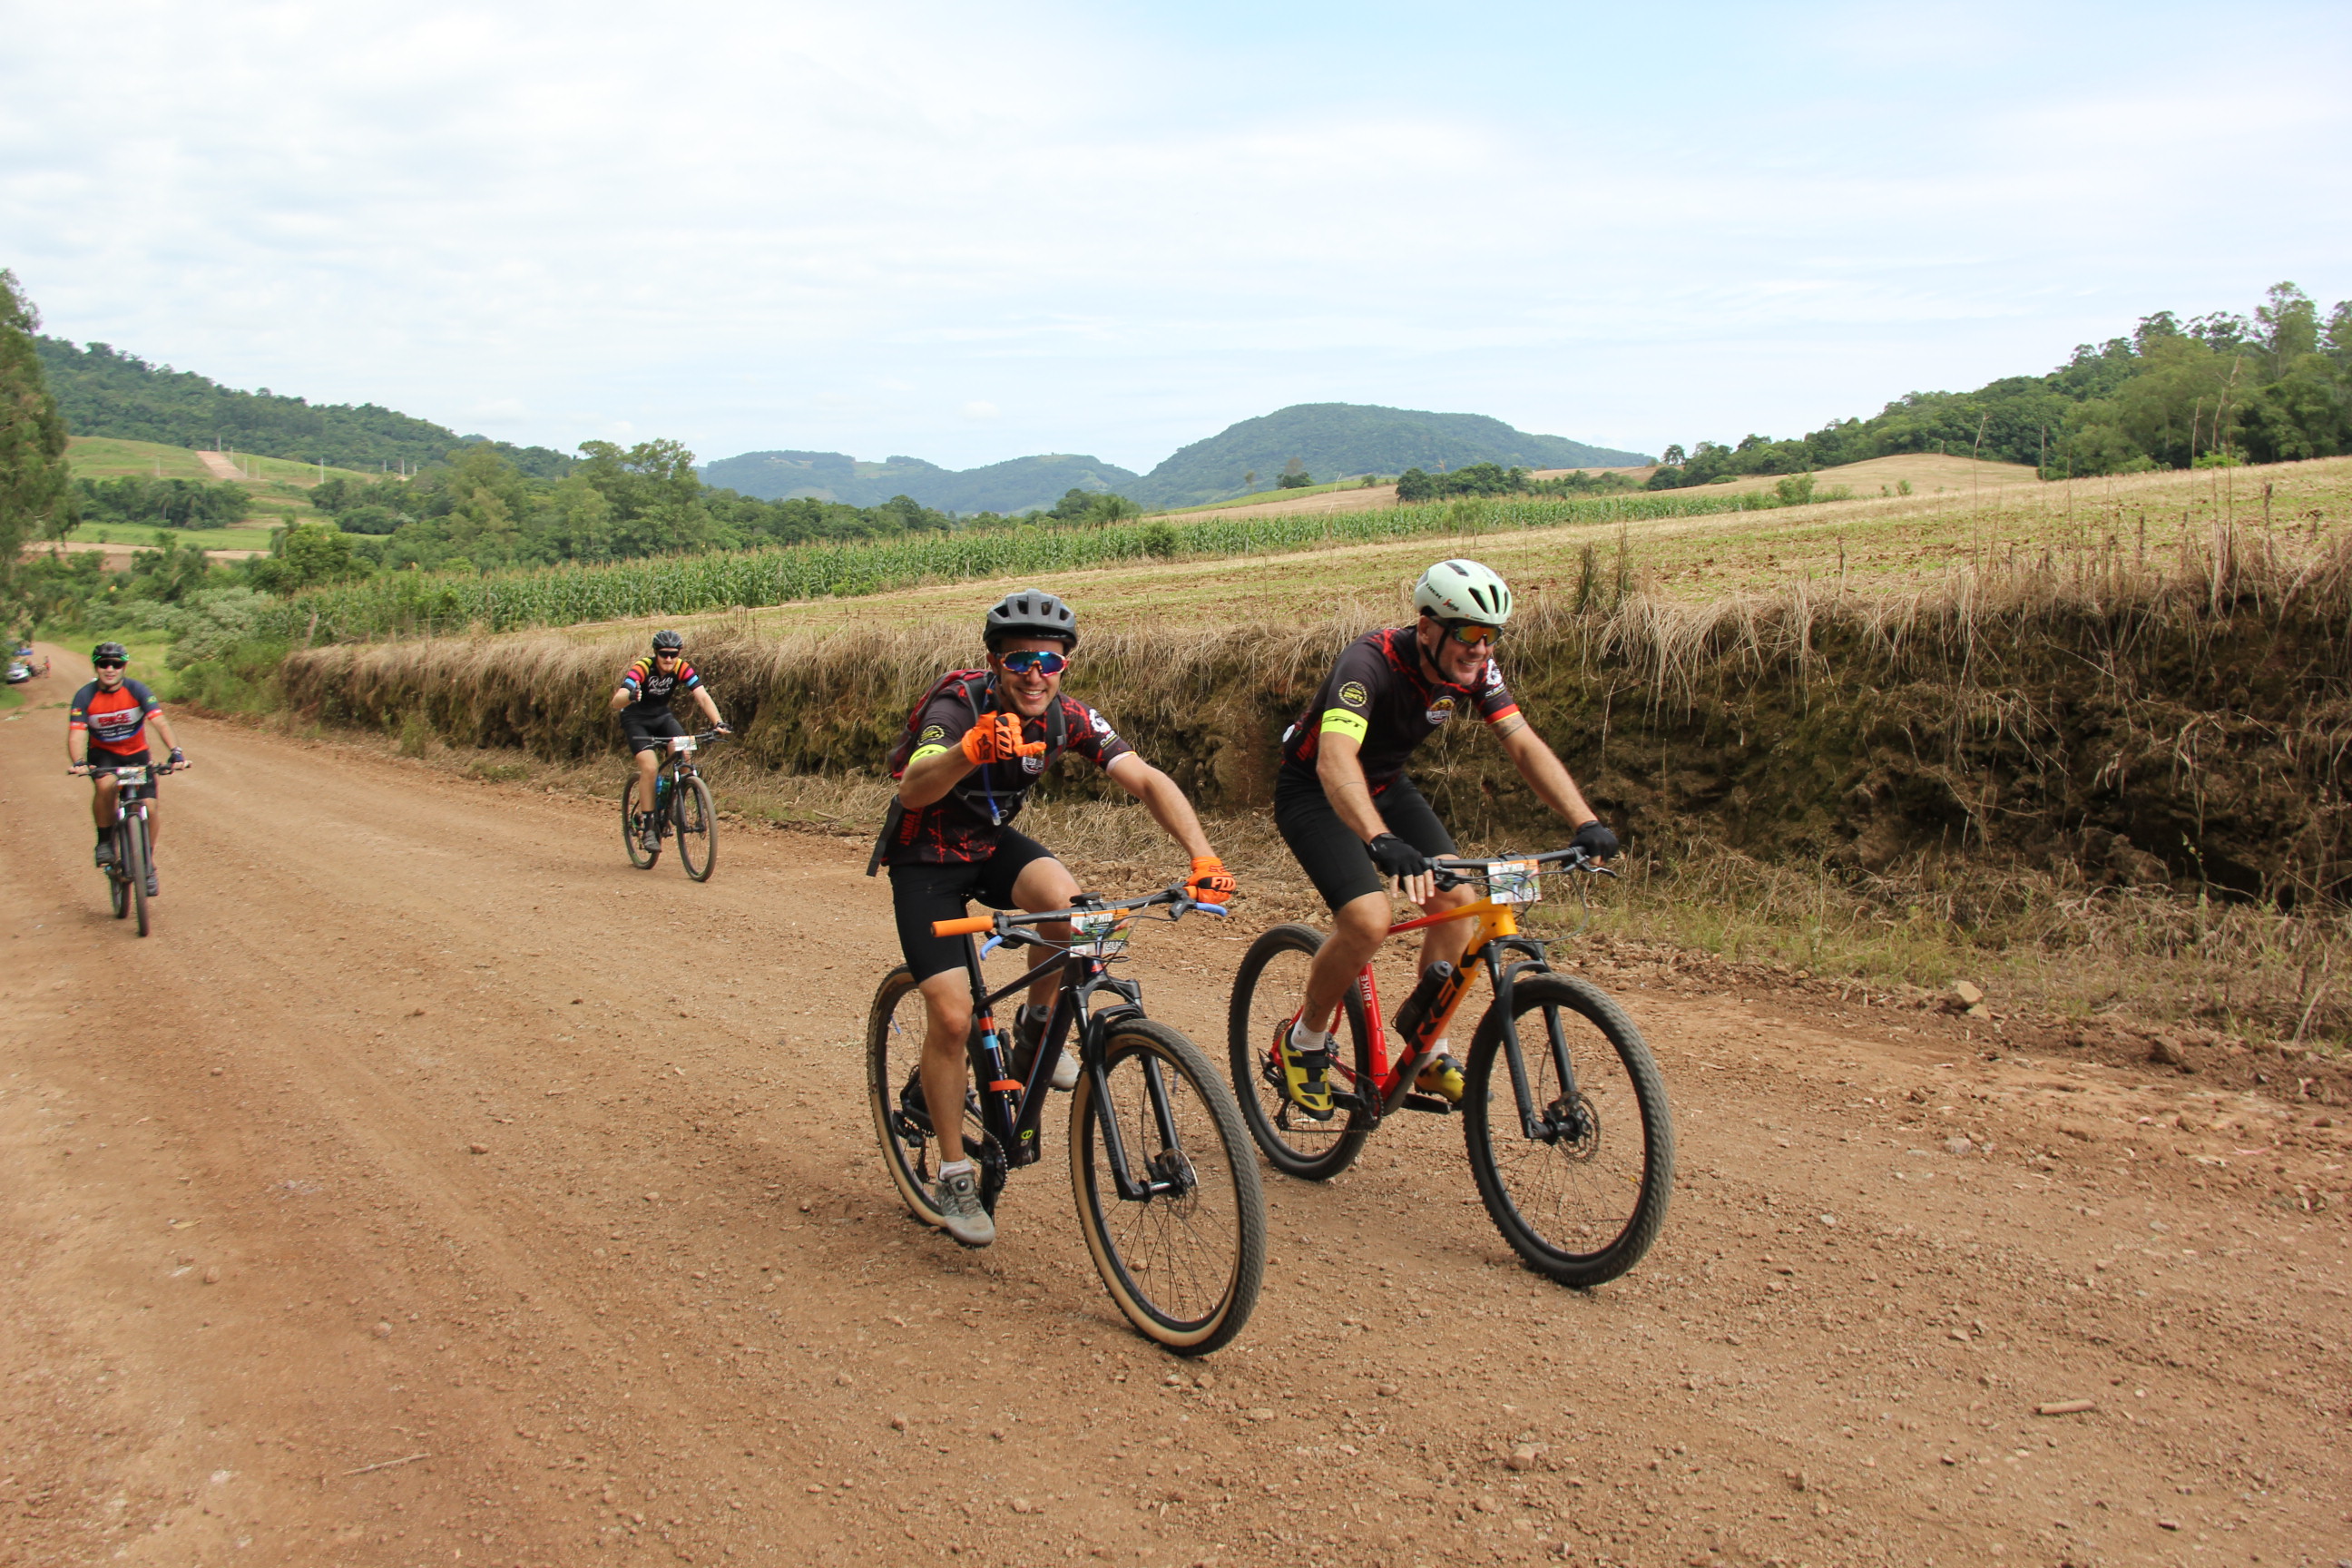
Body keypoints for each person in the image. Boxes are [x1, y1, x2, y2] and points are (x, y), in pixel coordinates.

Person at [877, 588, 1236, 1248]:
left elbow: (1146, 778)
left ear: (1064, 665)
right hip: (926, 860)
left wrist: (1202, 856)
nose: (1035, 673)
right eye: (1020, 660)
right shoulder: (958, 705)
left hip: (988, 846)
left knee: (1076, 917)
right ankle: (954, 1174)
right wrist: (968, 751)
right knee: (953, 1017)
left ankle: (1036, 1027)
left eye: (1049, 661)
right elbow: (914, 787)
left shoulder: (1068, 717)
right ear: (996, 662)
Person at [1269, 559, 1617, 1119]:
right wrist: (1380, 840)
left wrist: (1585, 821)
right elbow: (1335, 760)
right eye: (1469, 633)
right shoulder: (1368, 662)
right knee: (1368, 920)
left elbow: (1522, 742)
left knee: (1458, 902)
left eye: (1491, 636)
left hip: (1385, 785)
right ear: (1428, 627)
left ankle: (1428, 1048)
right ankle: (1303, 1040)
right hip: (1315, 790)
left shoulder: (1475, 668)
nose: (1480, 649)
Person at [66, 642, 189, 892]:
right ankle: (104, 842)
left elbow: (159, 722)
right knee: (106, 786)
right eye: (104, 664)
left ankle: (147, 866)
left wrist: (175, 752)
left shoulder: (137, 690)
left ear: (124, 666)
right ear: (96, 667)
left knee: (150, 808)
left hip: (136, 756)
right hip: (104, 756)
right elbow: (76, 734)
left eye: (116, 664)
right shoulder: (85, 696)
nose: (110, 669)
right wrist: (79, 761)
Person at [609, 630, 729, 855]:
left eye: (673, 654)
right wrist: (631, 696)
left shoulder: (681, 667)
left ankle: (675, 801)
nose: (668, 659)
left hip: (662, 717)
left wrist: (718, 722)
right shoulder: (643, 667)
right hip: (636, 720)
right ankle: (648, 827)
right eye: (664, 654)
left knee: (686, 753)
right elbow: (616, 701)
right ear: (656, 653)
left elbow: (702, 696)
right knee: (650, 767)